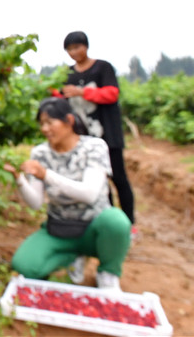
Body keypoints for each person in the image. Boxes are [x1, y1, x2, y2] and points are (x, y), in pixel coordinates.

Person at [7, 98, 132, 290]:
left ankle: (107, 273)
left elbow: (89, 194)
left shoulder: (94, 147)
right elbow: (35, 203)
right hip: (60, 229)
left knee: (116, 222)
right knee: (25, 266)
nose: (45, 129)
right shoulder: (40, 153)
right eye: (41, 124)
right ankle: (73, 256)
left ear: (69, 120)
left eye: (50, 122)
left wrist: (46, 175)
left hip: (94, 227)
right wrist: (19, 180)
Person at [51, 31, 136, 228]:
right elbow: (60, 98)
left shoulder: (103, 68)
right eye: (70, 49)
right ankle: (110, 221)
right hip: (84, 139)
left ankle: (129, 223)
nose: (74, 52)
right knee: (98, 181)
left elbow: (112, 94)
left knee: (119, 178)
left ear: (86, 47)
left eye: (77, 47)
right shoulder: (67, 74)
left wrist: (82, 92)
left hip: (108, 135)